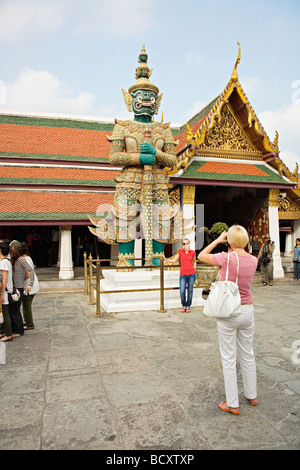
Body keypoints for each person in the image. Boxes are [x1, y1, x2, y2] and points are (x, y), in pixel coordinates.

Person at [198, 225, 258, 415]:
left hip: (229, 311)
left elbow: (201, 256)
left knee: (229, 358)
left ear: (230, 241)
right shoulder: (254, 260)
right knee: (248, 353)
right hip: (247, 309)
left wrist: (218, 240)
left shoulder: (226, 258)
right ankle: (252, 395)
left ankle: (233, 403)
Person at [163, 238, 196, 313]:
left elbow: (194, 262)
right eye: (184, 243)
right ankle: (184, 305)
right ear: (182, 245)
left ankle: (188, 306)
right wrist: (166, 259)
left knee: (190, 290)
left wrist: (194, 270)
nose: (186, 245)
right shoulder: (180, 252)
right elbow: (174, 260)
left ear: (189, 243)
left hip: (191, 274)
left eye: (187, 243)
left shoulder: (192, 252)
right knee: (182, 291)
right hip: (183, 275)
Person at [9, 240, 34, 338]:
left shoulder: (21, 259)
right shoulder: (12, 259)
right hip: (13, 286)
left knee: (15, 310)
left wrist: (30, 284)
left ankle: (19, 330)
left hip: (18, 288)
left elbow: (30, 270)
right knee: (13, 310)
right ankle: (15, 328)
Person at [20, 242, 39, 330]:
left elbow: (27, 274)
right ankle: (27, 320)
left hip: (28, 285)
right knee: (27, 304)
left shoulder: (25, 260)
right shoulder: (27, 258)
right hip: (32, 284)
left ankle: (29, 323)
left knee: (26, 305)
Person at [0, 240, 13, 342]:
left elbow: (4, 279)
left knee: (5, 312)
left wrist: (1, 293)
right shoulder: (7, 261)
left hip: (5, 291)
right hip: (8, 290)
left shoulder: (4, 262)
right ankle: (4, 331)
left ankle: (8, 334)